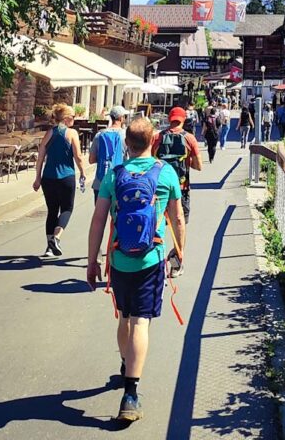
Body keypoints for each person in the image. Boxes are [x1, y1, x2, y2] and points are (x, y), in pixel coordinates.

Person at [87, 117, 185, 424]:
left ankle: (125, 363)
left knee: (125, 317)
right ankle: (130, 393)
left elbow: (98, 220)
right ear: (154, 139)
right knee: (142, 322)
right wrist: (179, 253)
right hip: (151, 259)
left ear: (126, 143)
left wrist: (91, 261)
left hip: (119, 260)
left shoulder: (114, 176)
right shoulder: (166, 172)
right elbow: (178, 218)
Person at [33, 103, 86, 258]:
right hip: (66, 177)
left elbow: (40, 156)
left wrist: (37, 178)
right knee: (67, 209)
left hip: (48, 178)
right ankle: (56, 238)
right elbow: (78, 156)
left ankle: (49, 247)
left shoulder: (49, 133)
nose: (75, 119)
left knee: (52, 211)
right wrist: (82, 172)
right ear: (67, 118)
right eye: (73, 117)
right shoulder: (72, 133)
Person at [151, 108, 201, 223]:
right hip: (181, 186)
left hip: (160, 185)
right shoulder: (189, 138)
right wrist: (186, 162)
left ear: (169, 119)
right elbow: (199, 166)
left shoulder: (156, 138)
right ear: (184, 119)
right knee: (180, 221)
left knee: (158, 222)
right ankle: (179, 241)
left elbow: (150, 161)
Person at [89, 105, 127, 205]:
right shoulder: (126, 135)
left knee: (99, 217)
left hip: (100, 182)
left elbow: (91, 159)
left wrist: (104, 159)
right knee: (116, 217)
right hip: (118, 182)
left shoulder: (99, 134)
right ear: (121, 118)